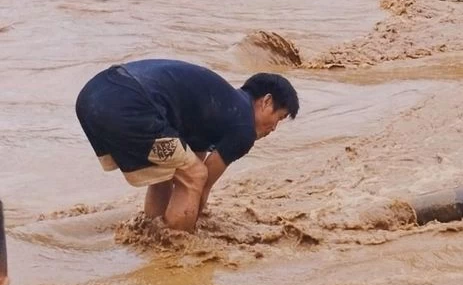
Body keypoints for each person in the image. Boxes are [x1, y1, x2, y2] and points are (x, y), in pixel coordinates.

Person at [75, 59, 300, 231]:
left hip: (93, 96)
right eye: (278, 118)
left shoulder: (215, 106)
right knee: (195, 176)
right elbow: (202, 184)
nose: (273, 129)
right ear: (266, 101)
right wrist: (194, 228)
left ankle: (151, 233)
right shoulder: (243, 127)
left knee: (170, 171)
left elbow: (182, 163)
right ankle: (174, 253)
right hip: (131, 104)